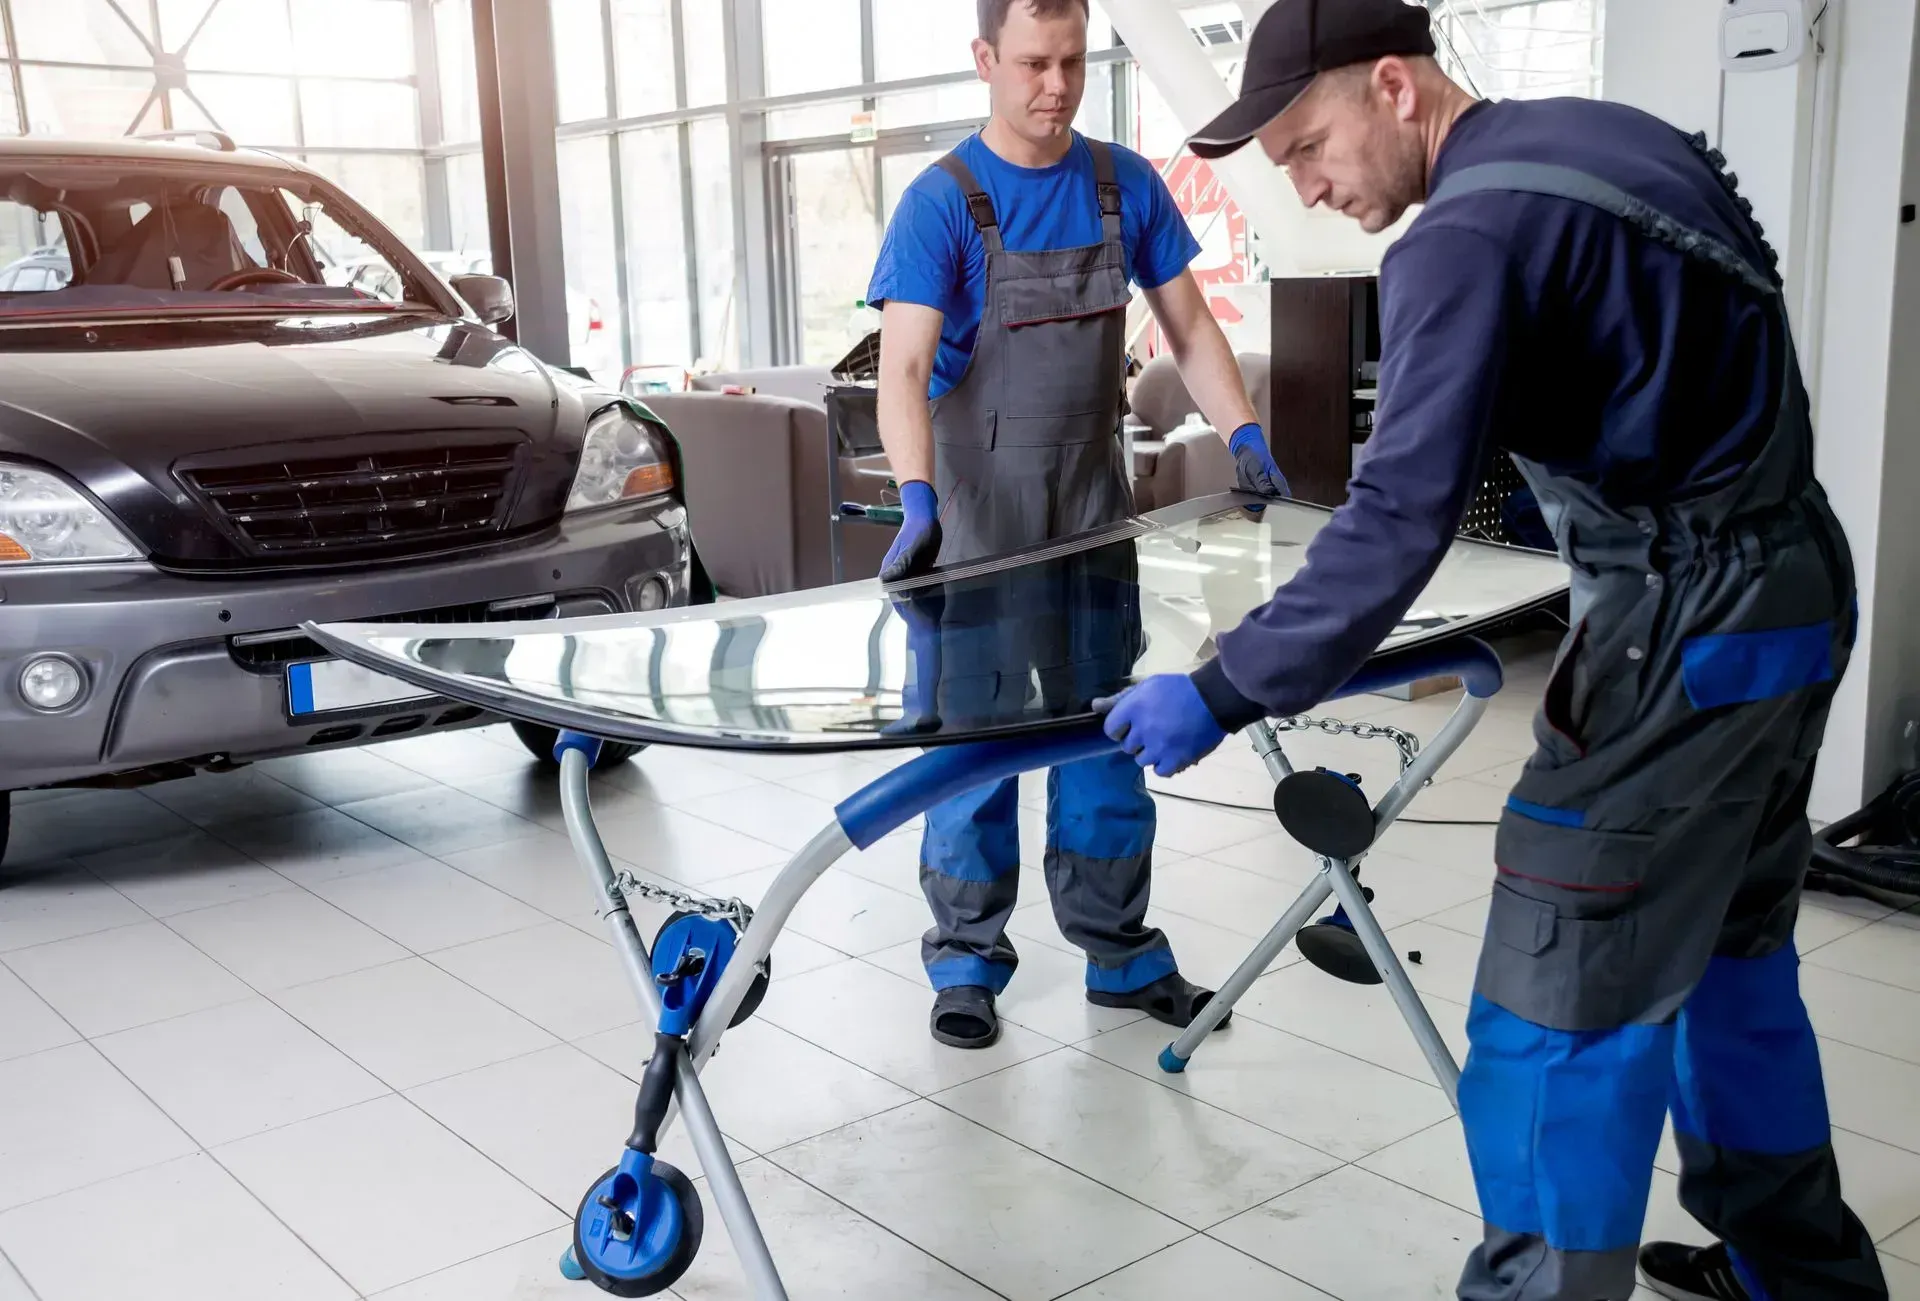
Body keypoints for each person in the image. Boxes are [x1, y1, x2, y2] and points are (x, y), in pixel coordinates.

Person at [1096, 1, 1890, 1298]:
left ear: (1396, 88)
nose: (1303, 182)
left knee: (1557, 975)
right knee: (1730, 956)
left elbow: (1398, 515)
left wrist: (1224, 687)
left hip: (1682, 625)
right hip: (1793, 589)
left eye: (1308, 143)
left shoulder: (1461, 237)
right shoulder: (1614, 141)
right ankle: (1800, 1273)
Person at [866, 0, 1286, 1050]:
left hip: (1096, 515)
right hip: (974, 518)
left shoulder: (1121, 186)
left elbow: (1189, 326)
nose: (1055, 86)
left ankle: (1119, 947)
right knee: (977, 745)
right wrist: (917, 496)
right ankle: (965, 955)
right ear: (984, 60)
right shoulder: (943, 202)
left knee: (1109, 732)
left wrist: (1241, 430)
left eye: (1072, 62)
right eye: (1032, 64)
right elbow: (904, 369)